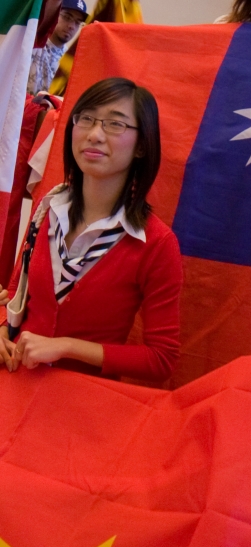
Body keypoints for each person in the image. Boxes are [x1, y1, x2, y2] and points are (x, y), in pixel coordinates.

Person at [0, 77, 182, 383]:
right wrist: (3, 329)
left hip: (82, 404)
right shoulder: (48, 208)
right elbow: (15, 297)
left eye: (115, 124)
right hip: (15, 384)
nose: (95, 135)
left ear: (142, 146)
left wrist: (68, 348)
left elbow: (162, 359)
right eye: (86, 119)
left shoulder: (156, 242)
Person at [27, 0, 88, 95]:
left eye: (77, 22)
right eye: (67, 17)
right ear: (55, 14)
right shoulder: (34, 40)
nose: (71, 26)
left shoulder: (71, 60)